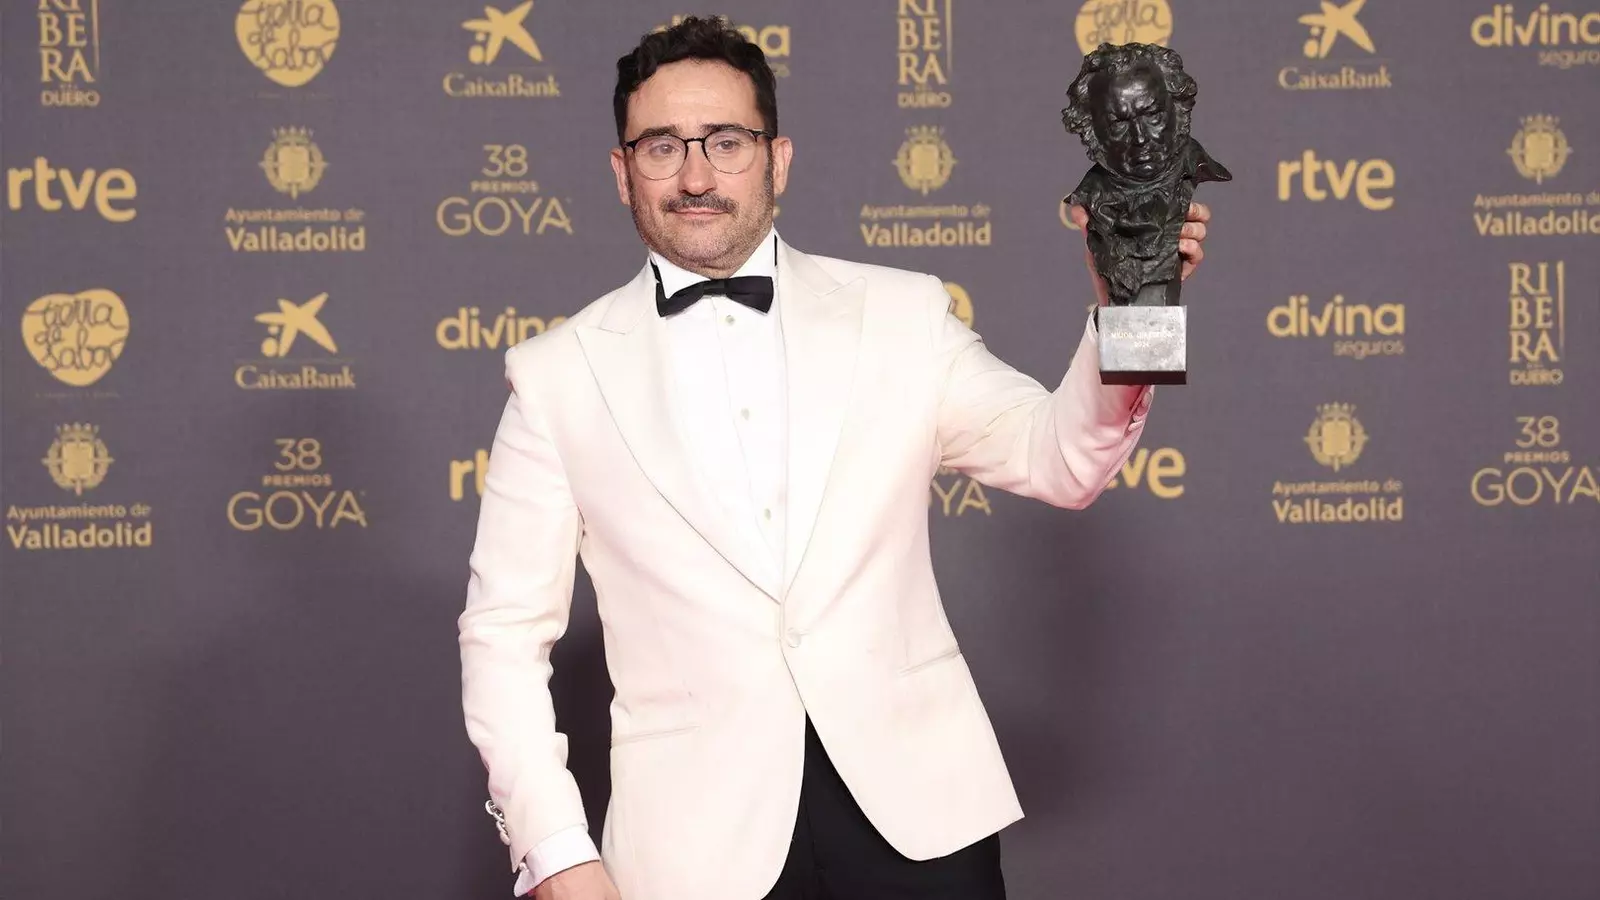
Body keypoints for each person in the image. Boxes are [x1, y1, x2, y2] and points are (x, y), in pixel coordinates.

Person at [458, 16, 1210, 900]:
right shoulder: (555, 376)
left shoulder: (901, 314)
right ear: (622, 173)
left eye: (726, 142)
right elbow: (503, 636)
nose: (696, 176)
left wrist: (1134, 307)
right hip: (694, 854)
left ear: (777, 161)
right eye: (662, 146)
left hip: (921, 826)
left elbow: (1064, 460)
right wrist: (554, 851)